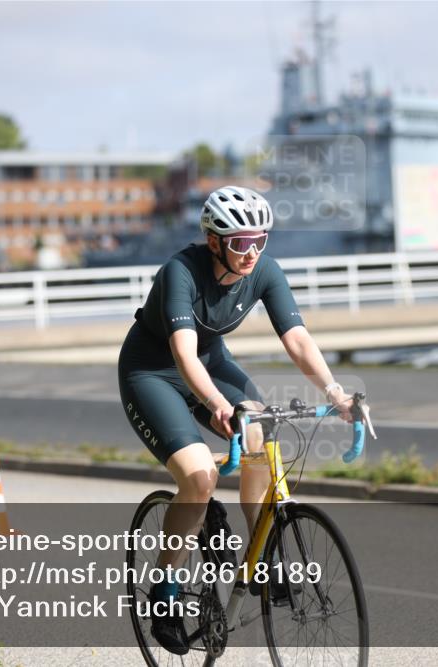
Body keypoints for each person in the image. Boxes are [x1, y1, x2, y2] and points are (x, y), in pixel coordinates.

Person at [118, 185, 355, 654]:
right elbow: (183, 355)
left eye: (260, 240)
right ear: (214, 241)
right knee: (199, 480)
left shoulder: (264, 270)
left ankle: (260, 552)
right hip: (154, 372)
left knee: (262, 435)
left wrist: (335, 393)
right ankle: (164, 594)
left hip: (212, 363)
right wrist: (217, 405)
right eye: (240, 242)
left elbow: (298, 340)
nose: (252, 252)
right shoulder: (180, 272)